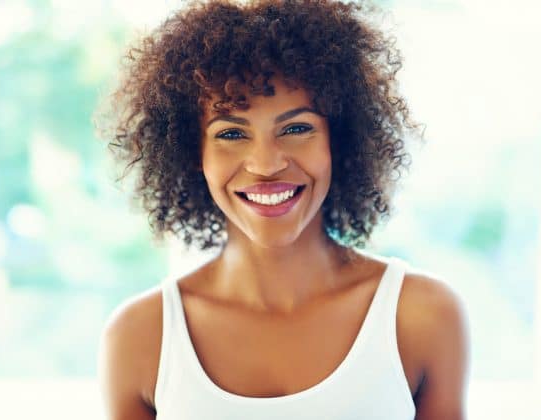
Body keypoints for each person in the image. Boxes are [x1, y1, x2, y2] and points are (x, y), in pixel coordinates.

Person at [96, 1, 470, 419]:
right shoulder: (141, 337)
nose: (266, 164)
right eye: (232, 133)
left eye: (296, 128)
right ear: (191, 152)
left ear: (339, 140)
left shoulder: (420, 317)